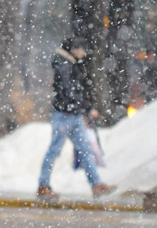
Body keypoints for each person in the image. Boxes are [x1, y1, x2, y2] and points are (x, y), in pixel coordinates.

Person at [37, 37, 116, 201]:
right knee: (57, 151)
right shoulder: (65, 65)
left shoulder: (68, 64)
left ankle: (96, 184)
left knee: (84, 151)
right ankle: (43, 185)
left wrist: (83, 108)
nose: (84, 53)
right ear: (73, 49)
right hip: (66, 115)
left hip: (72, 114)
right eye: (81, 49)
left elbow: (73, 90)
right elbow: (71, 90)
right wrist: (86, 108)